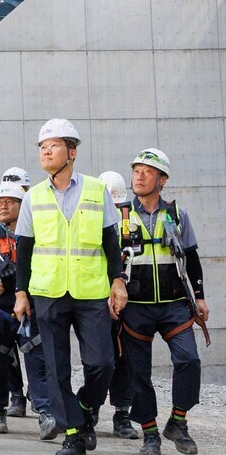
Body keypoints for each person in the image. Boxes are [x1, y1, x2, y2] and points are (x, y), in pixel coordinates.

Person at [13, 119, 127, 455]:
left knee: (102, 363)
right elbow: (24, 250)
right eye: (42, 146)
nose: (46, 150)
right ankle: (74, 436)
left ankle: (84, 405)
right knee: (56, 367)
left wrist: (117, 280)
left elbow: (111, 241)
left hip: (91, 291)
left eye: (54, 145)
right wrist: (21, 293)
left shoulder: (96, 190)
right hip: (47, 292)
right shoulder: (32, 197)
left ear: (72, 152)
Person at [120, 149, 209, 455]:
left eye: (147, 171)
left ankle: (178, 423)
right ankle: (149, 434)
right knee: (139, 374)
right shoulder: (119, 215)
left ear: (162, 179)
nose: (139, 176)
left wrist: (199, 296)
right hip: (135, 307)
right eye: (136, 171)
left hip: (174, 305)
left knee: (189, 360)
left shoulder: (176, 214)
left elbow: (192, 257)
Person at [0, 182, 55, 439]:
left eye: (10, 201)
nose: (3, 206)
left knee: (38, 363)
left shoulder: (36, 237)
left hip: (29, 311)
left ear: (23, 206)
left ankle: (45, 413)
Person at [0, 166, 32, 418]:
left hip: (32, 299)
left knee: (38, 350)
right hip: (0, 303)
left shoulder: (36, 218)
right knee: (5, 352)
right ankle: (16, 396)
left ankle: (38, 392)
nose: (6, 204)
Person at [94, 171, 138, 439]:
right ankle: (92, 405)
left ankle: (122, 413)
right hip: (98, 301)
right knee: (99, 360)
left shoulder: (132, 222)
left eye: (120, 205)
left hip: (130, 301)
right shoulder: (90, 223)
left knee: (125, 358)